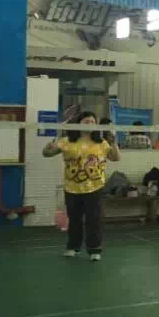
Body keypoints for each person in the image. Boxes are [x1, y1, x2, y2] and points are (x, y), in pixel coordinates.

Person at [42, 111, 120, 262]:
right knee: (74, 219)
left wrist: (113, 143)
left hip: (95, 187)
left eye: (92, 121)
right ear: (78, 123)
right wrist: (47, 147)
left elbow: (116, 158)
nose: (90, 124)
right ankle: (73, 247)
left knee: (94, 220)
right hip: (72, 188)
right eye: (86, 121)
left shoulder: (102, 143)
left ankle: (94, 250)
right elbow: (47, 154)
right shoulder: (67, 141)